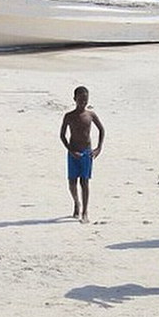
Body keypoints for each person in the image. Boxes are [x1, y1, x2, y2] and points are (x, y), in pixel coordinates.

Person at [59, 86, 105, 223]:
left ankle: (85, 211)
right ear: (74, 99)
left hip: (86, 153)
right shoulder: (69, 116)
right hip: (73, 152)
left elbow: (102, 130)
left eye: (85, 99)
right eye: (80, 99)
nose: (83, 102)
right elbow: (62, 135)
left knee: (84, 182)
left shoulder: (91, 115)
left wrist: (98, 148)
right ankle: (76, 203)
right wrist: (70, 150)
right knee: (72, 182)